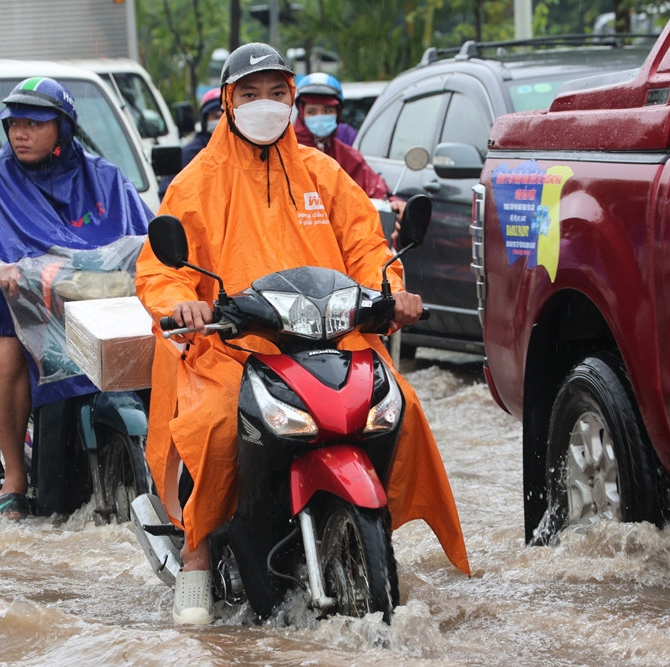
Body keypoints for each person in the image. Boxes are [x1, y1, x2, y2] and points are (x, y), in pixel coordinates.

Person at [135, 43, 470, 625]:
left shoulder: (323, 173)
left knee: (402, 403)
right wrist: (182, 303)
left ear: (292, 99)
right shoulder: (195, 183)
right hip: (231, 346)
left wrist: (392, 290)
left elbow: (368, 245)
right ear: (226, 103)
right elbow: (161, 270)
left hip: (330, 339)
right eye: (249, 94)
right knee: (217, 421)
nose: (264, 105)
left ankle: (376, 526)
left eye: (276, 94)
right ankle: (197, 550)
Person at [0, 77, 153, 520]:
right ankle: (15, 477)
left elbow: (146, 227)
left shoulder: (104, 177)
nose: (19, 134)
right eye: (13, 124)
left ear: (62, 128)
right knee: (6, 354)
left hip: (101, 298)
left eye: (33, 123)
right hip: (26, 302)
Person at [293, 73, 405, 222]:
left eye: (327, 111)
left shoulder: (348, 156)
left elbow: (374, 189)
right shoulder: (284, 151)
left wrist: (394, 203)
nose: (319, 117)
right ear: (301, 114)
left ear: (338, 113)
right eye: (312, 112)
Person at [158, 87, 223, 198]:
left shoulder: (248, 152)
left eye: (224, 116)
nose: (221, 121)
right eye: (215, 116)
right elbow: (167, 192)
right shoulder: (189, 154)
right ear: (205, 119)